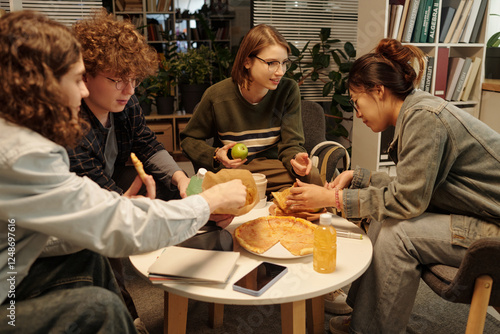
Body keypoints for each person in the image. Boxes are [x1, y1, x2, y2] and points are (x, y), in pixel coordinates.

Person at [0, 10, 246, 334]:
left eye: (134, 79)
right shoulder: (28, 152)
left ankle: (129, 321)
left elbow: (144, 150)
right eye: (77, 79)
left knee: (90, 254)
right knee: (100, 308)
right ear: (41, 84)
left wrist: (180, 182)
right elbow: (113, 221)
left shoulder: (23, 134)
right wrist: (208, 202)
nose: (84, 91)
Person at [286, 38, 500, 333]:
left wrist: (332, 198)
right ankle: (363, 319)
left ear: (378, 91)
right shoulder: (418, 111)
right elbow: (418, 186)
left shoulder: (424, 118)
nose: (357, 113)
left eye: (356, 101)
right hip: (478, 215)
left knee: (398, 231)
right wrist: (356, 177)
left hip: (493, 228)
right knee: (386, 216)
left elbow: (408, 200)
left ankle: (369, 328)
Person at [180, 24, 323, 194]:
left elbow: (291, 144)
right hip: (234, 172)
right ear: (247, 61)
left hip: (273, 169)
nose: (280, 72)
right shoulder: (216, 95)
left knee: (311, 175)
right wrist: (216, 154)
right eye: (271, 63)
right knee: (209, 190)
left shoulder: (288, 90)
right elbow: (189, 140)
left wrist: (296, 159)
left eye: (284, 63)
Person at [67, 9, 190, 201]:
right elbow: (108, 200)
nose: (130, 90)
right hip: (83, 198)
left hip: (111, 176)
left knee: (173, 186)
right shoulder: (71, 128)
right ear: (85, 75)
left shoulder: (126, 104)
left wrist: (180, 177)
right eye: (118, 80)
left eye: (134, 80)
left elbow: (146, 143)